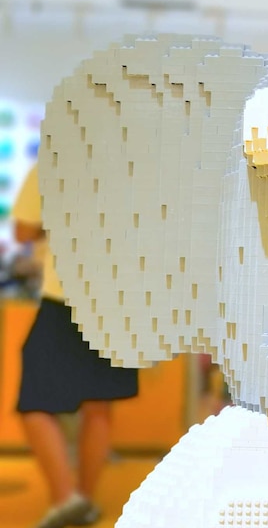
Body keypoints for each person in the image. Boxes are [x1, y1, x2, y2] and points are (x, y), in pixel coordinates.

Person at [13, 165, 139, 528]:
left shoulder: (55, 159)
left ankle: (66, 497)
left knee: (35, 399)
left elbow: (23, 229)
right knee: (97, 403)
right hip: (119, 299)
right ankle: (83, 499)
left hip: (68, 293)